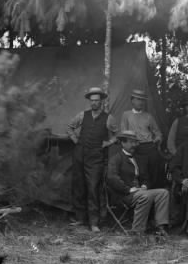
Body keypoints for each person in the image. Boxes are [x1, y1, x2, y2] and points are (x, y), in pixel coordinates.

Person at [67, 87, 118, 232]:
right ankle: (80, 218)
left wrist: (108, 143)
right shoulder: (83, 115)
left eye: (97, 100)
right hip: (80, 153)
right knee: (78, 186)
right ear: (89, 102)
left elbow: (116, 134)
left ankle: (94, 222)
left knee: (93, 188)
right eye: (92, 101)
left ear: (101, 101)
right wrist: (76, 140)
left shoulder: (109, 118)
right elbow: (70, 127)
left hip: (96, 156)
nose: (94, 103)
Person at [107, 130, 169, 236]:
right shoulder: (116, 158)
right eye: (131, 142)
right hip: (123, 195)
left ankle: (160, 227)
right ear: (123, 143)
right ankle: (137, 231)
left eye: (135, 142)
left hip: (139, 192)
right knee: (145, 196)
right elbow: (112, 178)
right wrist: (128, 189)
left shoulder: (137, 159)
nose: (134, 145)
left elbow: (145, 177)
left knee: (163, 193)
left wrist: (145, 185)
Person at [120, 89, 164, 188]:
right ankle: (143, 196)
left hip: (149, 146)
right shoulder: (126, 115)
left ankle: (156, 193)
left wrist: (157, 139)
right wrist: (130, 144)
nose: (140, 102)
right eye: (138, 99)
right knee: (141, 171)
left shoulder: (148, 116)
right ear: (132, 101)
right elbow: (124, 133)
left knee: (156, 167)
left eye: (142, 100)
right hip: (135, 147)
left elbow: (158, 133)